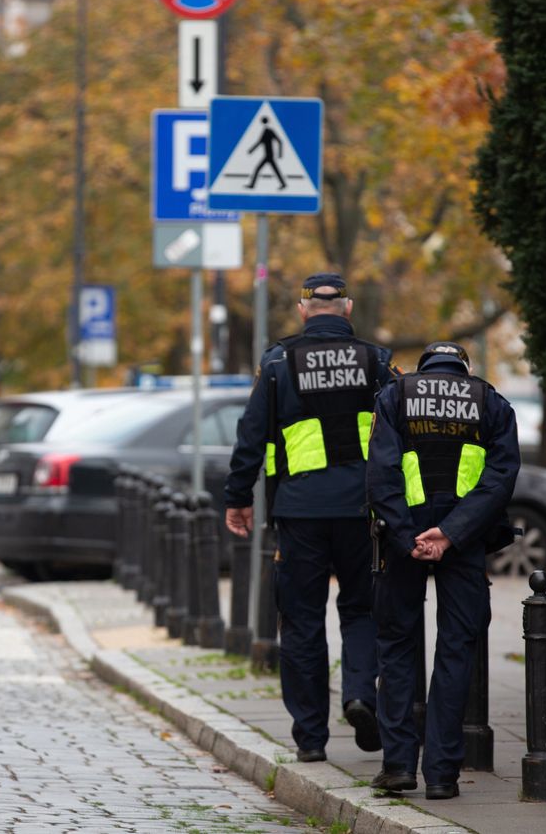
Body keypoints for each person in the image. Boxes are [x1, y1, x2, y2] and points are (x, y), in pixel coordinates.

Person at [224, 272, 399, 763]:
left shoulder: (278, 364)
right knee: (363, 609)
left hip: (300, 512)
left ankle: (310, 737)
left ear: (304, 311)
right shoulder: (376, 361)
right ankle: (361, 694)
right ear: (347, 309)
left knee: (301, 620)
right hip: (363, 511)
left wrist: (238, 496)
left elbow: (250, 435)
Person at [366, 342, 520, 799]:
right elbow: (499, 480)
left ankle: (397, 765)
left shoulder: (395, 397)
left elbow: (381, 475)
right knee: (456, 651)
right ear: (465, 369)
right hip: (464, 542)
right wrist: (451, 534)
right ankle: (441, 774)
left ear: (425, 369)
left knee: (396, 647)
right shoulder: (491, 402)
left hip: (404, 542)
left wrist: (405, 535)